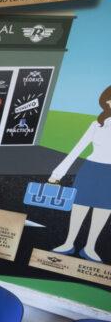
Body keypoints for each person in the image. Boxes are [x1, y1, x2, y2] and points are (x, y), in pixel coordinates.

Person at [47, 84, 111, 263]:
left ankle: (90, 248)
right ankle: (68, 243)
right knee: (79, 206)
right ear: (106, 101)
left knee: (103, 210)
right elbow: (77, 150)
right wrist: (57, 174)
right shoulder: (96, 124)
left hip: (110, 173)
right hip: (91, 169)